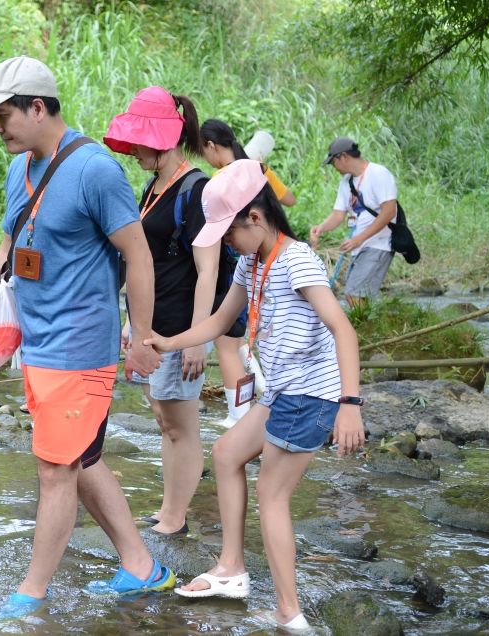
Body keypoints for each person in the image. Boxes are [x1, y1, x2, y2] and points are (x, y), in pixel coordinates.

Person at [0, 55, 172, 619]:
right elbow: (6, 251)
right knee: (81, 460)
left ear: (38, 107)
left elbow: (138, 255)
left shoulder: (94, 170)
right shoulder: (19, 169)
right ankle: (143, 567)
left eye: (3, 116)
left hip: (80, 347)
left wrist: (141, 336)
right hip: (36, 346)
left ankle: (32, 593)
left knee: (54, 470)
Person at [146, 160, 364, 632]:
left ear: (256, 218)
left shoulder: (297, 259)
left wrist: (350, 406)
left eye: (228, 232)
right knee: (225, 454)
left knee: (272, 493)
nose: (226, 243)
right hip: (283, 390)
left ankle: (290, 613)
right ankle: (232, 570)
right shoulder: (251, 261)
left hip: (311, 395)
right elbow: (221, 322)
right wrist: (171, 341)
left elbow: (343, 331)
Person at [103, 86, 240, 536]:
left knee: (181, 426)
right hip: (152, 326)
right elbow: (145, 260)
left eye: (139, 141)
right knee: (164, 421)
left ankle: (177, 517)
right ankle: (167, 508)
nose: (133, 150)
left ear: (162, 139)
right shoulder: (153, 186)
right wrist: (131, 324)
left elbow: (209, 267)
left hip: (182, 327)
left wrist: (200, 338)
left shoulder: (196, 189)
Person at [200, 118, 288, 428]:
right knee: (238, 338)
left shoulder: (221, 179)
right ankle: (259, 387)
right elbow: (288, 200)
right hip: (257, 258)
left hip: (231, 265)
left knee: (227, 343)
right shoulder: (256, 168)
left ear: (212, 146)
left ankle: (239, 415)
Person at [310, 137, 398, 307]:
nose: (333, 167)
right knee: (354, 295)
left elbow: (389, 212)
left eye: (333, 162)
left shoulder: (378, 174)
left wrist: (359, 239)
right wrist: (322, 227)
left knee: (355, 294)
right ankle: (367, 329)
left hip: (378, 244)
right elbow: (338, 215)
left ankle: (365, 331)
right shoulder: (347, 182)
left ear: (344, 156)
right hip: (360, 245)